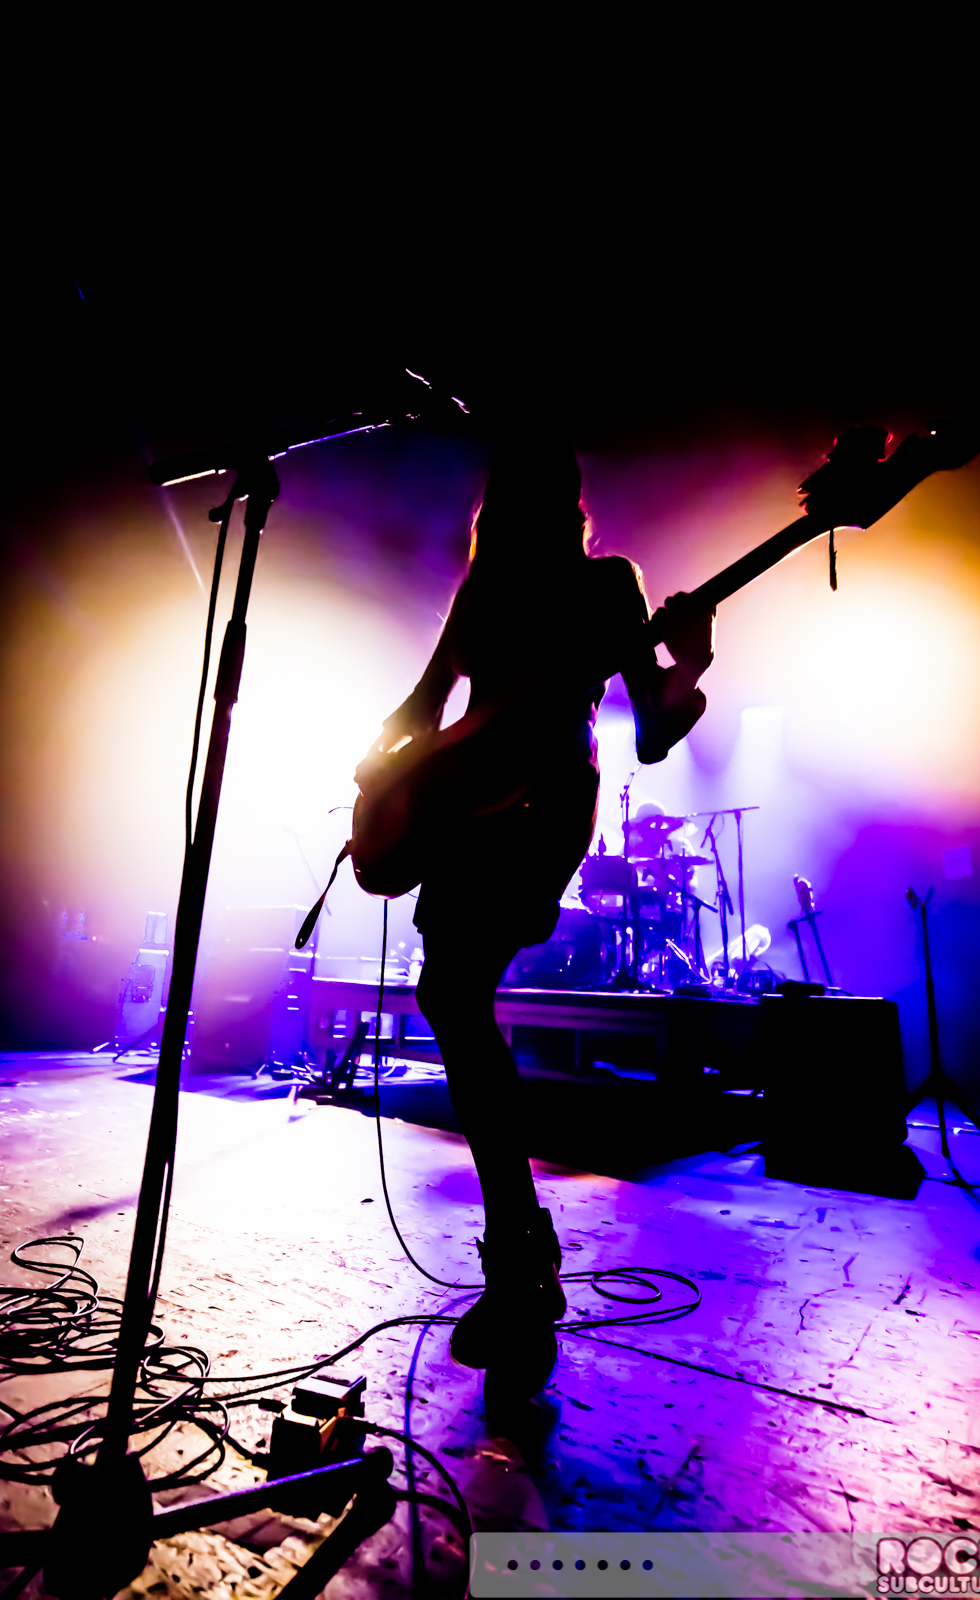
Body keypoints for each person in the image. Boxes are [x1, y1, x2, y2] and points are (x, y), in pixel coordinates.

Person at [376, 439, 715, 1400]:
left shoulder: (607, 585)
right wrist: (381, 775)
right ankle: (522, 1252)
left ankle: (518, 1256)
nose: (530, 501)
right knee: (447, 997)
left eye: (544, 487)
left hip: (544, 801)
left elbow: (652, 729)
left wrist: (689, 661)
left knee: (452, 991)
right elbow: (424, 702)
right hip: (465, 802)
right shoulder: (480, 591)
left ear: (563, 501)